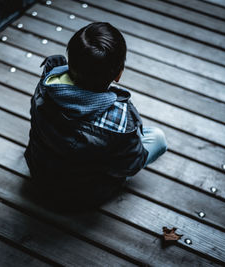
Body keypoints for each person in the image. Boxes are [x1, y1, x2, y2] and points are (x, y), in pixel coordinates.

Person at [24, 22, 167, 210]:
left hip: (40, 173)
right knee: (158, 138)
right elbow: (130, 164)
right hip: (82, 195)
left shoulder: (47, 82)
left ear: (70, 61)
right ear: (119, 74)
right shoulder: (121, 123)